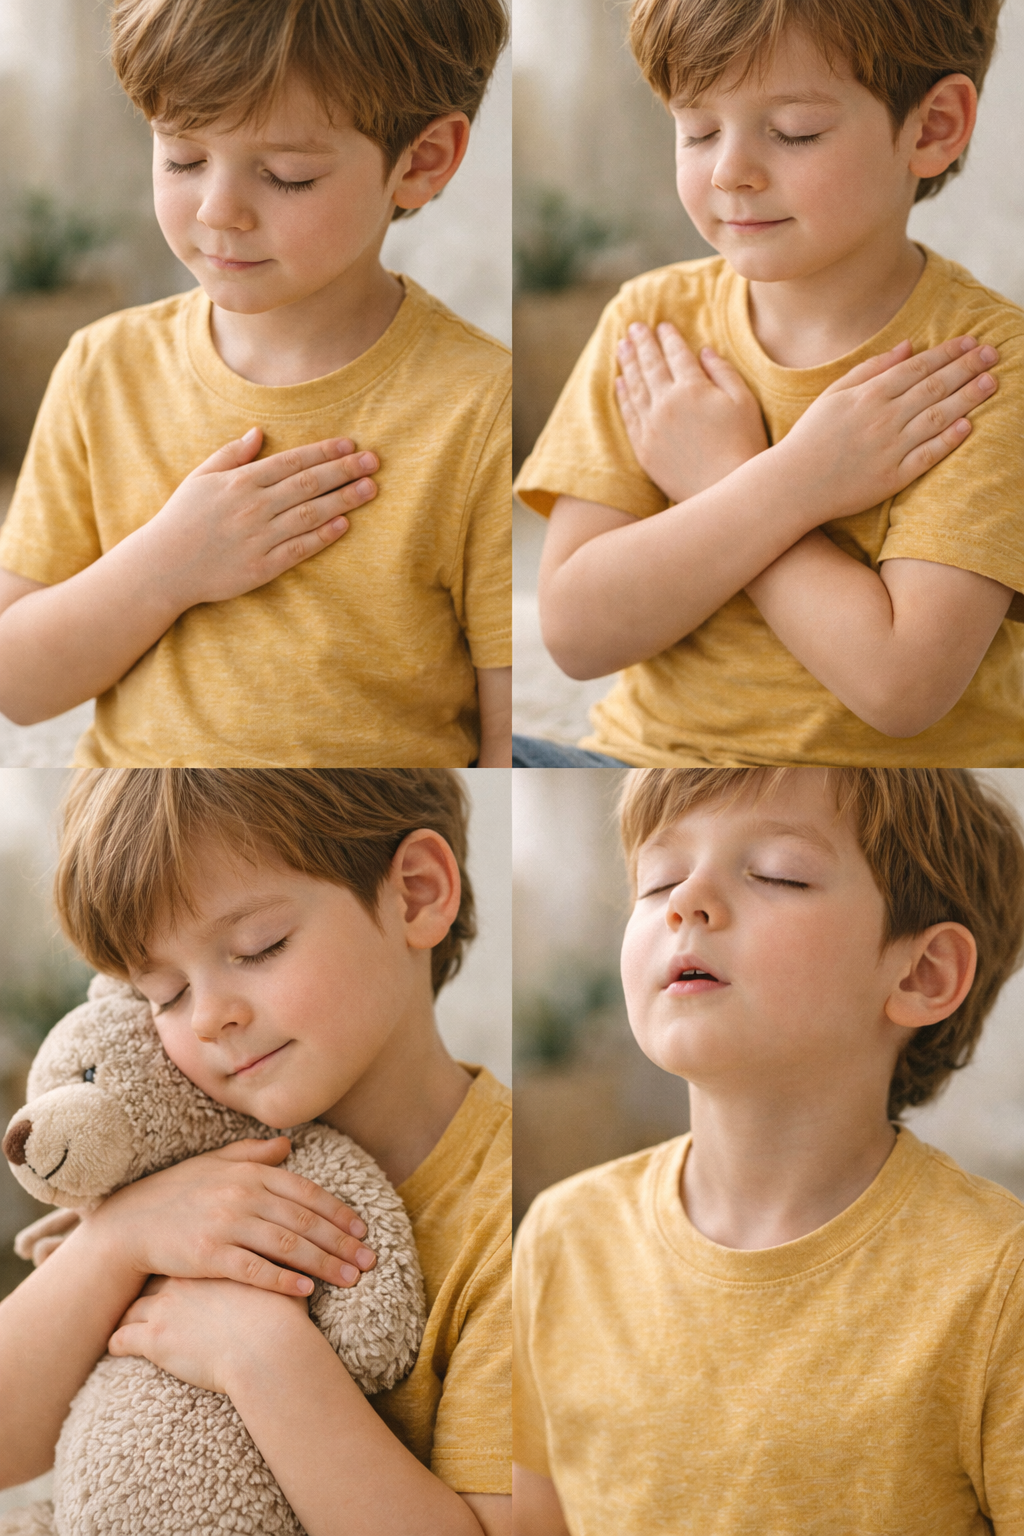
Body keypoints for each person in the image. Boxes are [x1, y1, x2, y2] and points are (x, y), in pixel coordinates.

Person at [513, 766, 1024, 1535]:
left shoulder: (996, 1284)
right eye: (657, 881)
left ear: (922, 973)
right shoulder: (562, 1238)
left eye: (777, 875)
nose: (686, 901)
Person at [0, 0, 511, 768]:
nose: (217, 211)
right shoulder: (101, 369)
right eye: (181, 157)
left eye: (285, 175)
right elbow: (19, 686)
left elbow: (501, 737)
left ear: (423, 159)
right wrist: (165, 567)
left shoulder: (479, 403)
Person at [513, 0, 1023, 768]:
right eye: (698, 130)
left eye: (794, 132)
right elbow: (578, 635)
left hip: (872, 791)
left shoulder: (978, 366)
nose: (729, 172)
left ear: (933, 127)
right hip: (638, 764)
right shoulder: (653, 323)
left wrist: (731, 474)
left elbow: (899, 687)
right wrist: (792, 482)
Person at [0, 769, 511, 1536]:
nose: (207, 1018)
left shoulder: (519, 1214)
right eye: (164, 994)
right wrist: (119, 1237)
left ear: (415, 893)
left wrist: (263, 1358)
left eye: (257, 947)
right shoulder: (170, 1152)